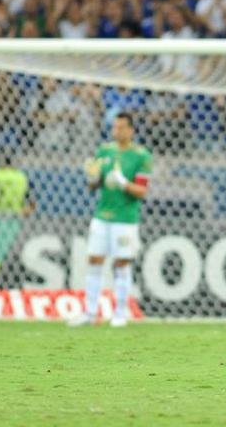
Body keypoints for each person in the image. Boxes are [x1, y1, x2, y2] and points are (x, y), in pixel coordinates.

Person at [69, 112, 152, 328]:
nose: (117, 131)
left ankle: (121, 313)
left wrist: (124, 183)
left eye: (122, 127)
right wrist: (93, 178)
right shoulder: (104, 151)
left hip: (125, 218)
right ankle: (90, 313)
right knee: (94, 260)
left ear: (131, 130)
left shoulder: (142, 156)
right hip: (102, 216)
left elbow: (142, 191)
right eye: (115, 127)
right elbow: (93, 186)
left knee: (121, 263)